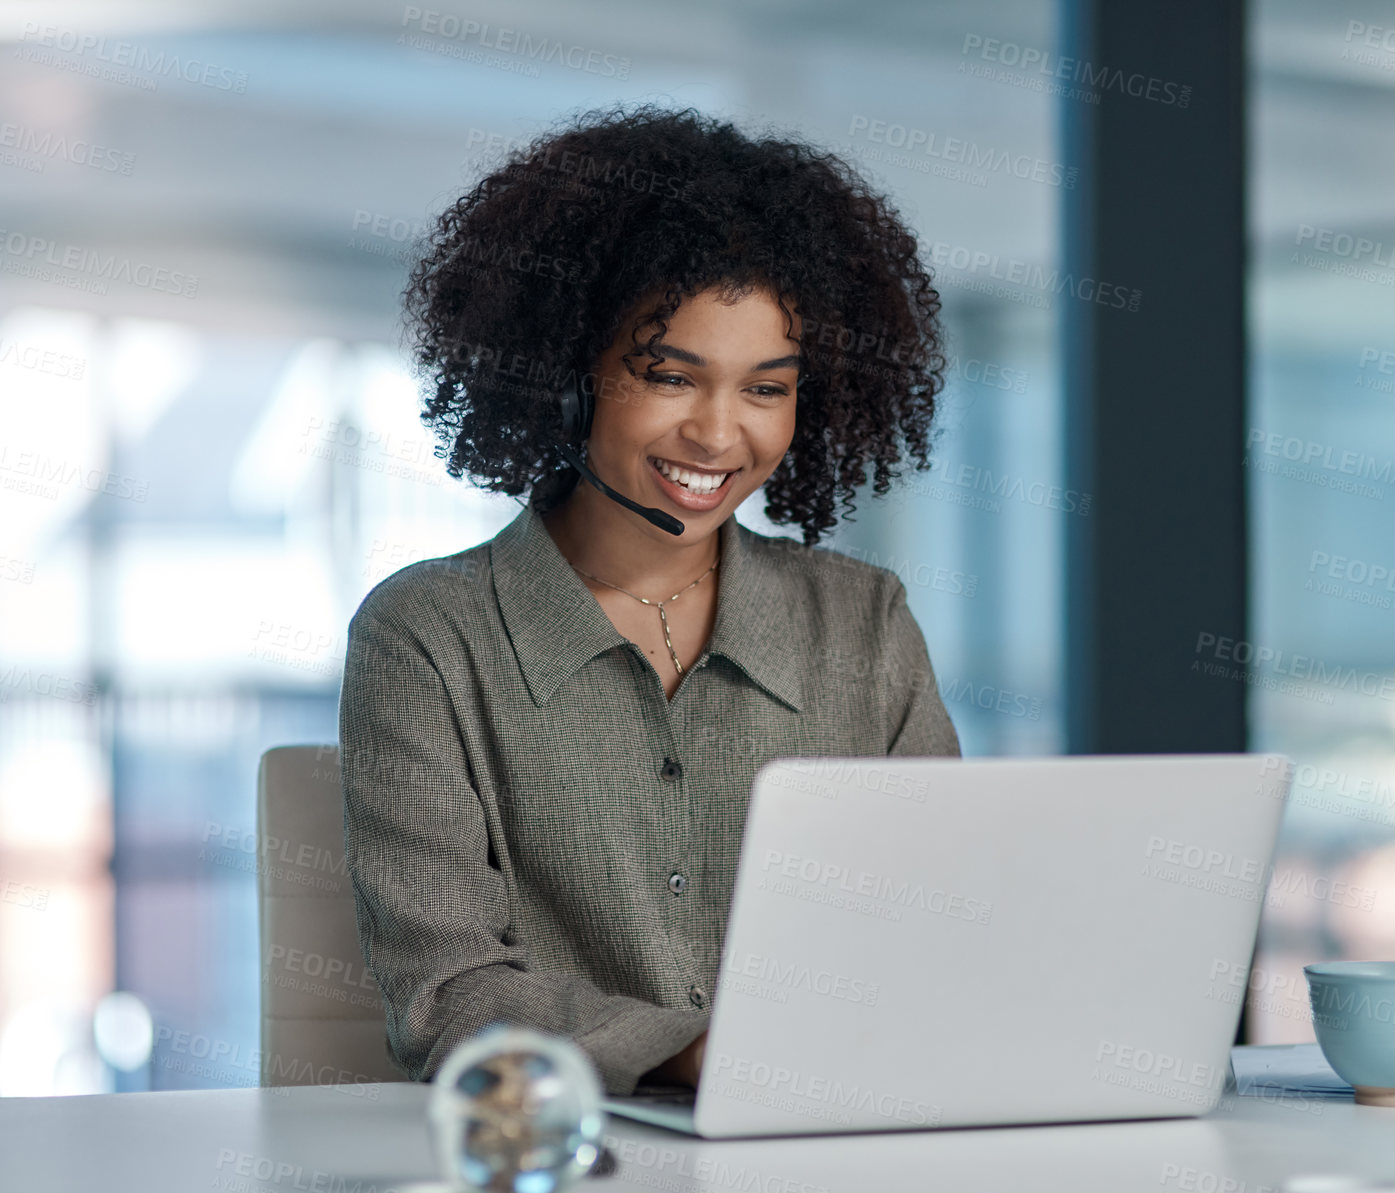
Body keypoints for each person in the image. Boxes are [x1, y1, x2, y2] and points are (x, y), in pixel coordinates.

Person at [337, 102, 961, 1099]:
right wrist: (704, 1053)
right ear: (566, 369)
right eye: (669, 375)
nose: (718, 434)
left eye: (766, 388)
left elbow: (944, 928)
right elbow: (446, 999)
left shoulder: (863, 622)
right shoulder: (429, 634)